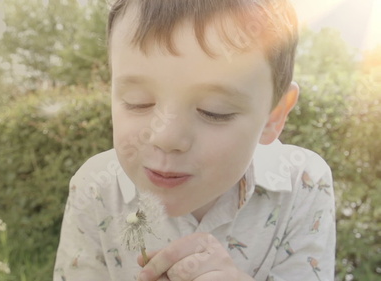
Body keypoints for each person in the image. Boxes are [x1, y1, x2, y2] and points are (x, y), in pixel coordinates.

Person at [54, 0, 335, 280]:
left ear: (274, 115)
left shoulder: (304, 184)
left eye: (214, 110)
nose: (165, 137)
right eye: (137, 102)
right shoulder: (95, 186)